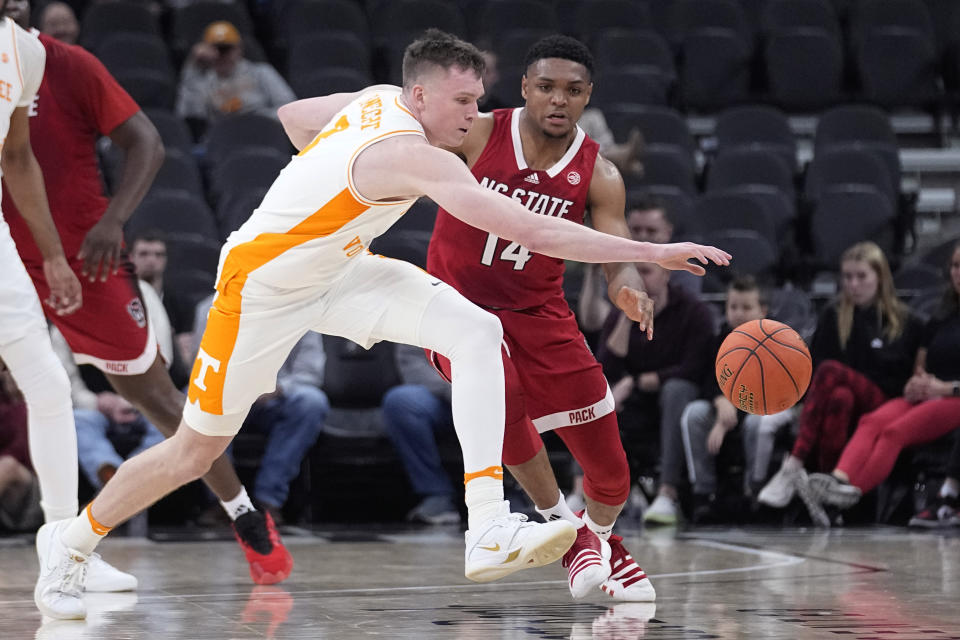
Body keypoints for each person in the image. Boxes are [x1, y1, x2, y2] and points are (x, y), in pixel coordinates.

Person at [34, 29, 729, 619]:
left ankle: (486, 524)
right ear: (420, 97)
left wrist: (328, 176)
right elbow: (530, 229)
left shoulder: (376, 102)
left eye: (479, 100)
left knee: (476, 330)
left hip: (340, 269)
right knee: (193, 449)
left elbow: (296, 116)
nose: (475, 113)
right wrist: (649, 252)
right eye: (462, 101)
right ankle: (69, 544)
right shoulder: (411, 154)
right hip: (261, 290)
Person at [2, 1, 292, 618]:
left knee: (160, 399)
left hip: (82, 252)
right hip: (10, 247)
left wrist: (112, 222)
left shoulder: (60, 63)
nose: (22, 12)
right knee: (46, 391)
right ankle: (66, 549)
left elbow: (146, 143)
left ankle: (241, 515)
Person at [426, 35, 666, 601]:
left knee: (612, 474)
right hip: (456, 307)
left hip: (541, 312)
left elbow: (618, 253)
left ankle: (597, 536)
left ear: (588, 97)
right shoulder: (479, 133)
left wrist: (628, 289)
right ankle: (561, 523)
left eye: (573, 91)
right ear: (526, 89)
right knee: (500, 391)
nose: (559, 100)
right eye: (548, 88)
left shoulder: (598, 173)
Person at [758, 241, 924, 526]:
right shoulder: (833, 315)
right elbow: (814, 373)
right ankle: (828, 496)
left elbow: (905, 376)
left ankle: (794, 464)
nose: (853, 284)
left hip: (887, 401)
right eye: (847, 277)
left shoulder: (908, 321)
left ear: (880, 278)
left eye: (861, 277)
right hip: (842, 399)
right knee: (840, 397)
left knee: (831, 370)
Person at [808, 242, 960, 511]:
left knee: (893, 432)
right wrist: (917, 383)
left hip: (953, 397)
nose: (958, 272)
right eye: (956, 266)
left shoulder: (911, 318)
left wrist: (945, 388)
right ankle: (837, 480)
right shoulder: (942, 315)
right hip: (929, 392)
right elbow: (921, 363)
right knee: (871, 421)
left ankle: (842, 501)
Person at [192, 293, 329, 522]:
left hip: (273, 400)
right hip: (226, 400)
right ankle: (224, 500)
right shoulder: (210, 306)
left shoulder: (303, 307)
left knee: (311, 401)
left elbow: (310, 373)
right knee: (198, 401)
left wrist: (278, 387)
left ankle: (269, 500)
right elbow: (201, 369)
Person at [598, 261, 715, 526]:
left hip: (677, 396)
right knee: (595, 392)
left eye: (646, 272)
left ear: (666, 274)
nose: (639, 279)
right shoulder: (620, 312)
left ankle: (667, 492)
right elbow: (605, 365)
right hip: (635, 400)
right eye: (634, 272)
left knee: (676, 391)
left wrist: (649, 379)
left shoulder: (692, 310)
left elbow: (696, 366)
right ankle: (585, 489)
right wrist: (628, 319)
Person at [680, 276, 770, 523]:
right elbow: (708, 380)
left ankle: (755, 492)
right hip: (727, 407)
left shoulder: (774, 345)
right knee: (695, 413)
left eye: (747, 307)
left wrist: (729, 414)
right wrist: (720, 400)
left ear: (763, 311)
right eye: (733, 307)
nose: (739, 313)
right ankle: (703, 493)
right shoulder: (719, 339)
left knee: (757, 423)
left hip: (762, 408)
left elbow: (766, 389)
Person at [175, 20, 296, 139]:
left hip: (263, 133)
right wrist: (194, 67)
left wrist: (254, 121)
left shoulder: (260, 72)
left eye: (225, 49)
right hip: (224, 139)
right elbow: (189, 115)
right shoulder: (202, 80)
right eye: (214, 49)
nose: (220, 55)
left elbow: (289, 108)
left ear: (239, 49)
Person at [382, 343, 459, 525]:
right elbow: (413, 366)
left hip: (489, 392)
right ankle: (437, 494)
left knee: (506, 395)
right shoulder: (419, 314)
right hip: (442, 399)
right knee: (401, 401)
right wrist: (457, 389)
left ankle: (513, 490)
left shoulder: (494, 313)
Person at [0, 365, 42, 532]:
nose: (11, 376)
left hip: (33, 485)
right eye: (7, 371)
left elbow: (23, 453)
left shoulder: (39, 403)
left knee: (9, 466)